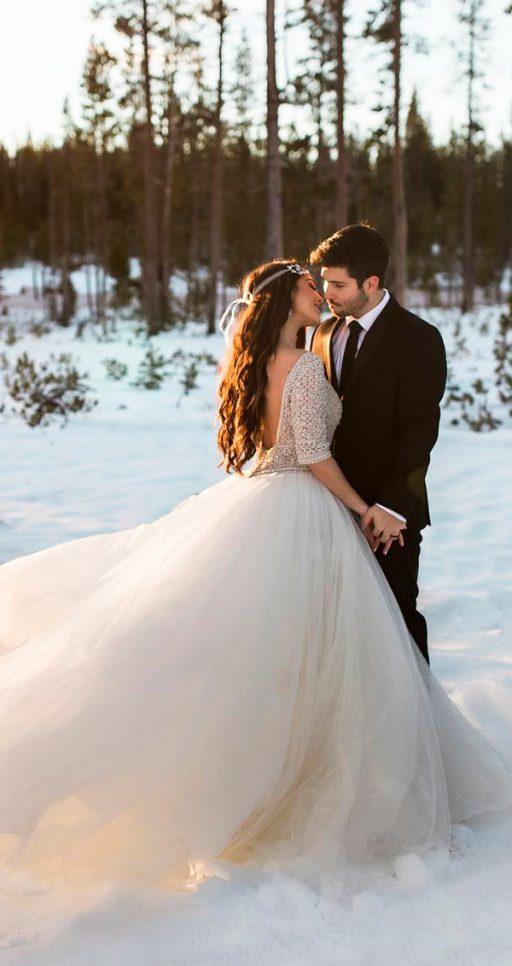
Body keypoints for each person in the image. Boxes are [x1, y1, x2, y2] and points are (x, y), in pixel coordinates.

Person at [0, 259, 510, 890]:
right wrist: (360, 507)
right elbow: (315, 454)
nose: (318, 294)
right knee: (316, 654)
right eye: (307, 289)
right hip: (302, 507)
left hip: (260, 496)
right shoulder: (299, 365)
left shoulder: (265, 359)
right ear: (283, 304)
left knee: (272, 655)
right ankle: (302, 782)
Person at [310, 223, 446, 662]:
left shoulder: (418, 338)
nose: (325, 291)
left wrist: (392, 507)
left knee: (397, 621)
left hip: (389, 519)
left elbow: (419, 430)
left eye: (337, 284)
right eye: (323, 281)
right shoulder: (324, 333)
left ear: (371, 282)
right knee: (338, 624)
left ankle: (419, 721)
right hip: (332, 505)